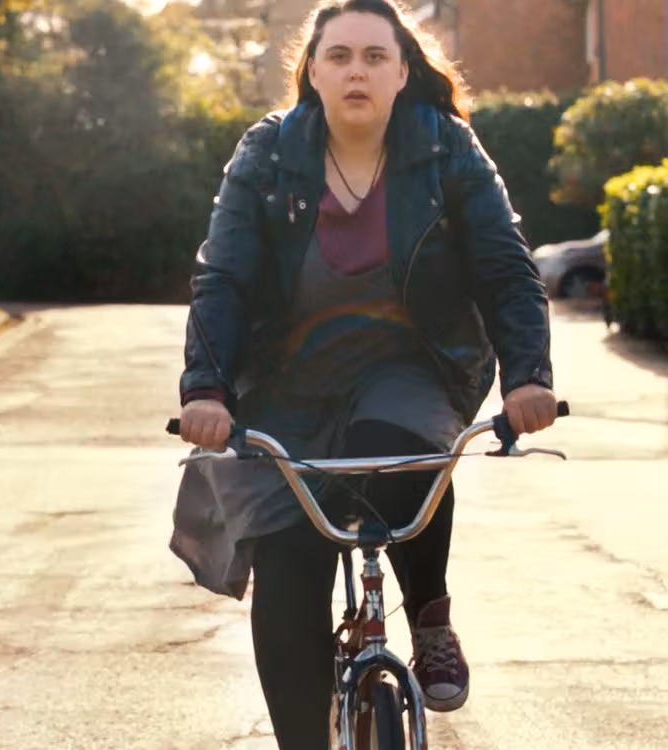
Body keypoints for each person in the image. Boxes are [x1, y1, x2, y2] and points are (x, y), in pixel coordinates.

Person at [168, 1, 559, 747]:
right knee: (288, 569)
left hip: (413, 365)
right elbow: (223, 277)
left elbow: (506, 269)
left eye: (375, 57)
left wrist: (526, 378)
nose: (357, 71)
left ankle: (430, 614)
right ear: (312, 73)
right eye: (340, 56)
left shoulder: (446, 147)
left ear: (403, 73)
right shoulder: (268, 153)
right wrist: (206, 391)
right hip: (286, 380)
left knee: (402, 454)